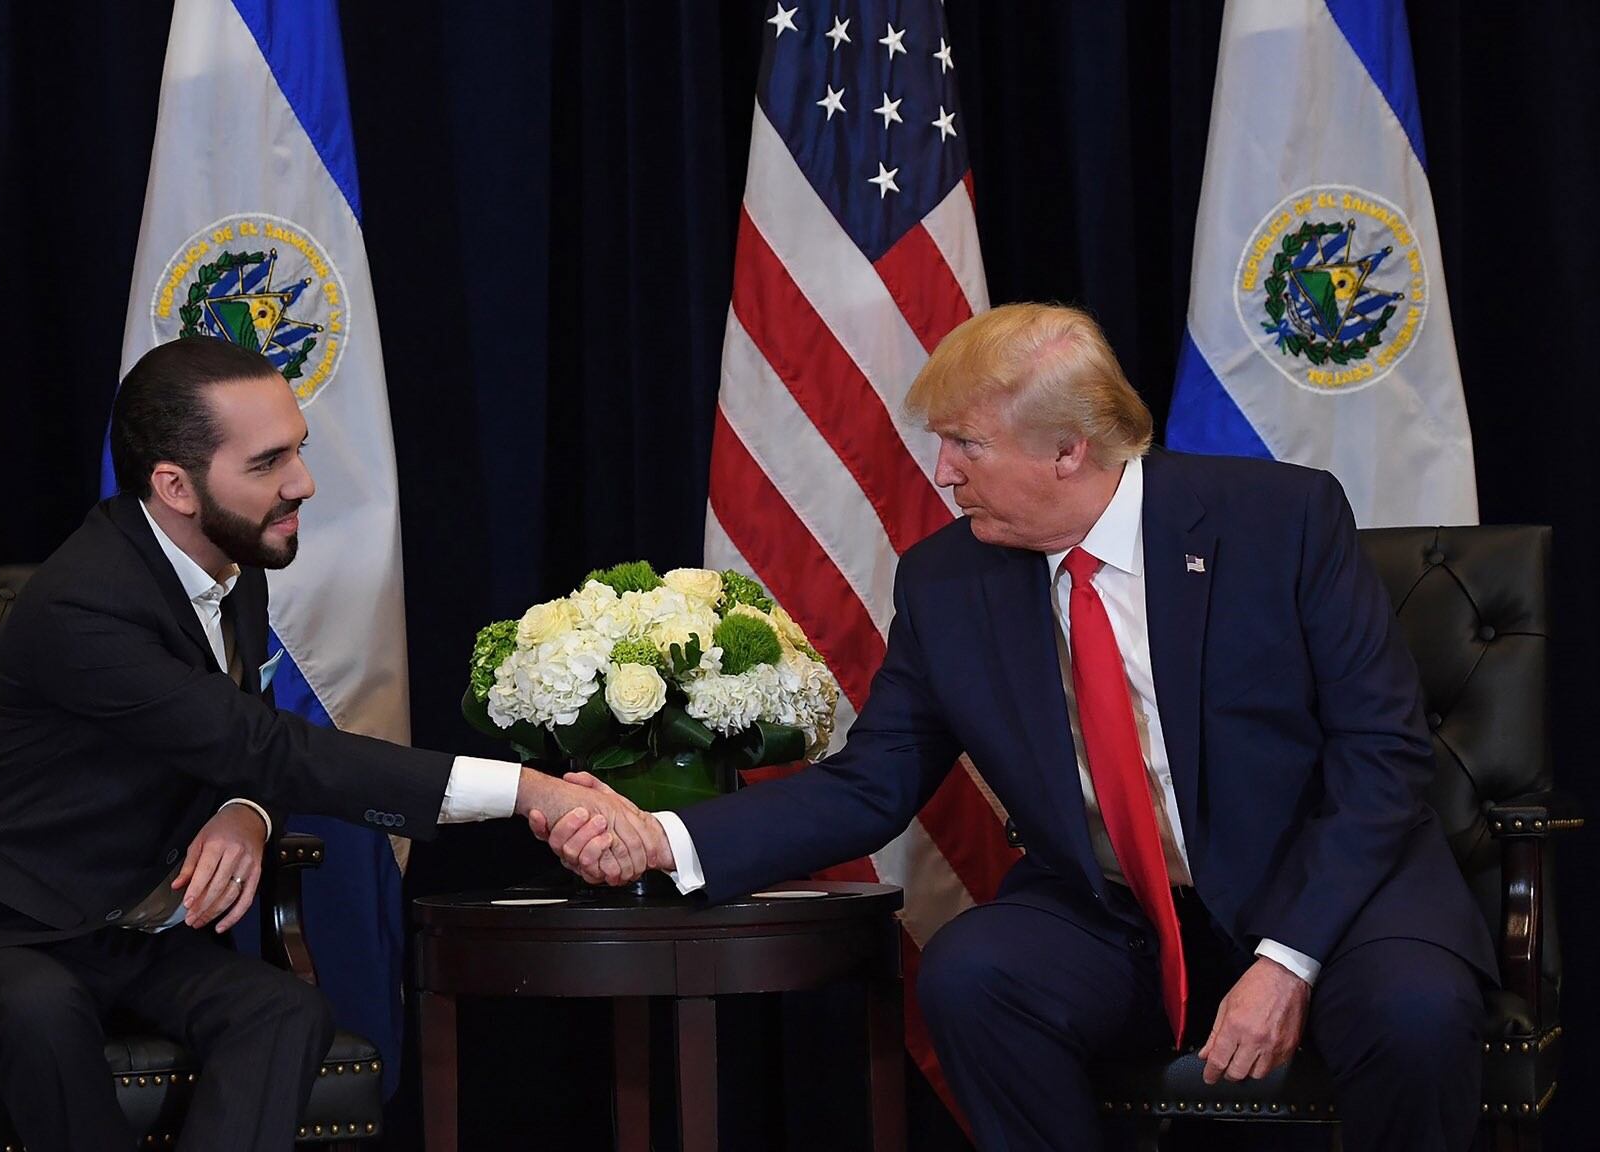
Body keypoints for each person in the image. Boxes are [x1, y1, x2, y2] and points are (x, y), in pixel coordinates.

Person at [536, 303, 1494, 1151]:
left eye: (967, 445)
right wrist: (661, 836)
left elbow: (1382, 758)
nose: (943, 472)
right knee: (975, 977)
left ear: (1069, 449)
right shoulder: (948, 580)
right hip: (1117, 912)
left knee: (1416, 1015)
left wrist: (1286, 959)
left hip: (1325, 892)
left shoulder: (1280, 521)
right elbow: (873, 782)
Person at [0, 337, 653, 1152]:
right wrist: (528, 791)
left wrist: (247, 812)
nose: (302, 483)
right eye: (269, 462)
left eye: (298, 450)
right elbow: (266, 745)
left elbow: (240, 752)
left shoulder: (233, 563)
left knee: (284, 1012)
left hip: (128, 931)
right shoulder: (85, 605)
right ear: (174, 485)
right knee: (42, 1010)